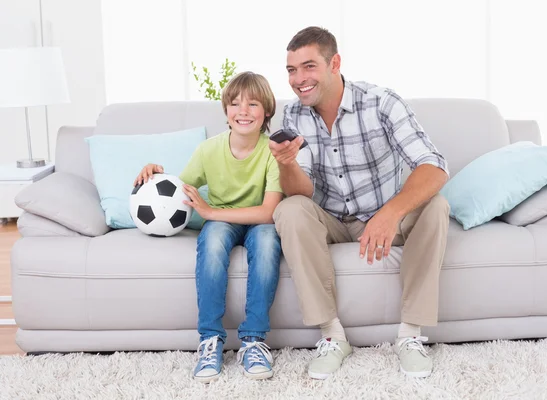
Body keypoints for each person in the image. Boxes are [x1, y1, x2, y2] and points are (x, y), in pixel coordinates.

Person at [269, 26, 450, 380]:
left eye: (309, 67)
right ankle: (332, 336)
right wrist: (286, 163)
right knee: (288, 210)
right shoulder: (293, 116)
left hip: (385, 213)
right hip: (332, 219)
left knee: (436, 205)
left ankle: (410, 334)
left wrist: (390, 213)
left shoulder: (381, 102)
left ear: (334, 63)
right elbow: (300, 192)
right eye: (292, 70)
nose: (298, 79)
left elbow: (434, 167)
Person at [134, 72, 283, 383]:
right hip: (222, 222)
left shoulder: (273, 152)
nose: (243, 111)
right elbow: (179, 190)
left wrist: (211, 210)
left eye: (253, 104)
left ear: (267, 111)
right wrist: (158, 173)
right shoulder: (208, 150)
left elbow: (269, 213)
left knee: (268, 242)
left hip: (258, 221)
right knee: (212, 239)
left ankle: (254, 340)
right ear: (226, 111)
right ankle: (210, 340)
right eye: (236, 104)